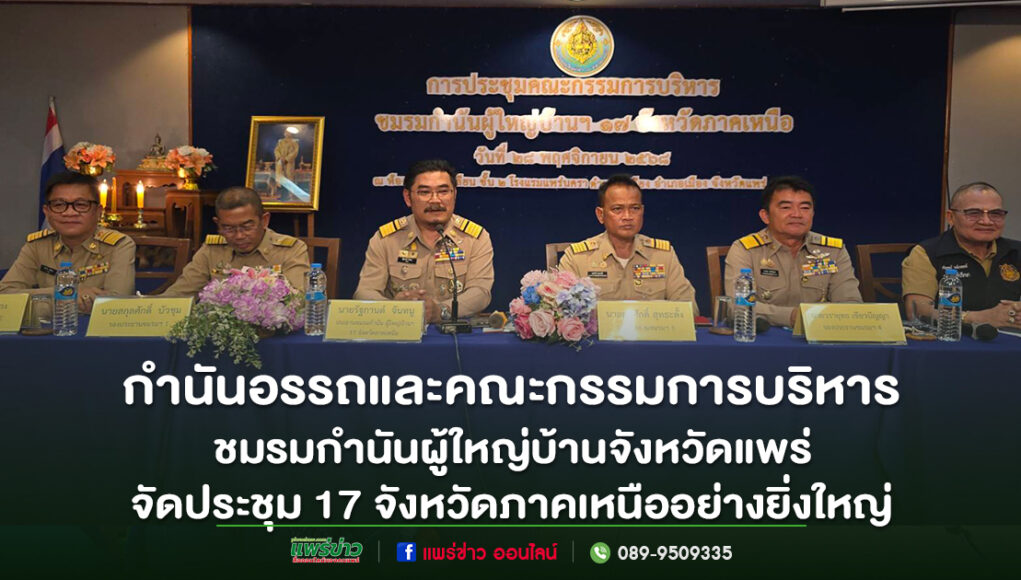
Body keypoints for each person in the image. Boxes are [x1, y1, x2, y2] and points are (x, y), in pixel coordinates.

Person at [354, 159, 494, 323]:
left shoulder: (475, 238)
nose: (435, 200)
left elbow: (480, 293)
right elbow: (364, 292)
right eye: (425, 192)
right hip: (399, 329)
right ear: (408, 197)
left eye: (443, 191)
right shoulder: (386, 239)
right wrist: (393, 308)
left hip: (453, 332)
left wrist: (441, 311)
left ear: (454, 195)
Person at [724, 175, 861, 327]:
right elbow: (738, 306)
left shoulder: (833, 251)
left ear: (813, 214)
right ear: (765, 216)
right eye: (786, 207)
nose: (797, 214)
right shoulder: (745, 250)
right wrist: (795, 317)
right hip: (768, 336)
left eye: (805, 208)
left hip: (821, 334)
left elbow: (851, 304)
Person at [0, 172, 135, 314]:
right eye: (59, 205)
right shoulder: (37, 246)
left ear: (98, 211)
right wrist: (67, 294)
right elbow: (5, 297)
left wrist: (40, 302)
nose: (69, 213)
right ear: (47, 212)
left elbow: (115, 305)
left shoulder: (119, 245)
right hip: (51, 327)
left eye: (81, 205)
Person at [558, 174, 697, 310]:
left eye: (635, 208)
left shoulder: (663, 255)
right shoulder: (577, 258)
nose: (627, 216)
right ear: (601, 215)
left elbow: (689, 309)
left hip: (652, 326)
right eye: (617, 209)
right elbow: (562, 312)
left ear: (642, 211)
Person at [902, 182, 1021, 329]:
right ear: (951, 217)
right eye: (974, 213)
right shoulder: (927, 253)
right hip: (951, 337)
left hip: (1011, 337)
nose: (986, 221)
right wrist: (980, 318)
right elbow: (917, 312)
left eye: (995, 214)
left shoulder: (1016, 251)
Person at [161, 186, 309, 297]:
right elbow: (179, 294)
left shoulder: (290, 250)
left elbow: (299, 300)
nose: (239, 236)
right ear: (218, 224)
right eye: (228, 228)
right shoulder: (211, 250)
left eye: (247, 227)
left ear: (264, 220)